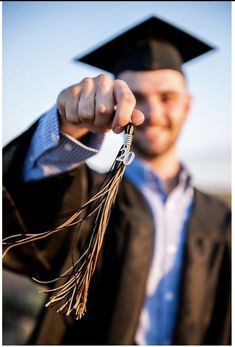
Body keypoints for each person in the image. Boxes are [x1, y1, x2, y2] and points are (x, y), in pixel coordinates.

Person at [3, 16, 230, 345]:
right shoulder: (86, 199)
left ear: (187, 105)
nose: (151, 113)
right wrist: (65, 128)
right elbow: (26, 222)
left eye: (166, 97)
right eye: (137, 97)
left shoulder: (221, 220)